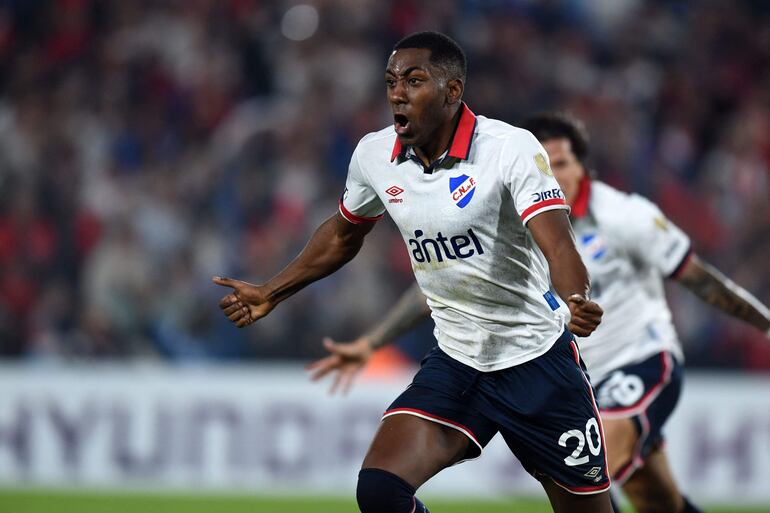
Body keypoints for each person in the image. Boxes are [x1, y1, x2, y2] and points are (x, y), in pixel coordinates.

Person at [214, 32, 615, 513]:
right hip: (459, 362)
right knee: (380, 490)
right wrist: (271, 291)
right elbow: (344, 234)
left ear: (452, 92)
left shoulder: (508, 148)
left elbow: (556, 240)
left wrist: (576, 298)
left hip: (537, 364)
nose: (397, 93)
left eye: (414, 80)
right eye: (390, 82)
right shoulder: (373, 156)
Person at [308, 112, 770, 513]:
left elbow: (703, 280)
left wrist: (764, 322)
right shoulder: (516, 207)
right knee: (657, 502)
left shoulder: (626, 217)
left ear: (583, 168)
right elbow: (442, 288)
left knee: (602, 463)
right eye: (547, 164)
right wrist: (371, 342)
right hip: (577, 370)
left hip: (640, 360)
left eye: (563, 163)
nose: (554, 173)